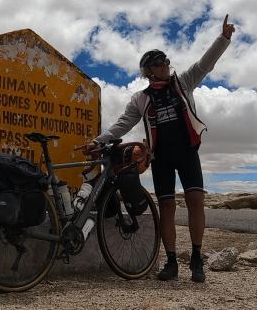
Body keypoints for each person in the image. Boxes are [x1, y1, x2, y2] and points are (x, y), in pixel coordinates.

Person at [83, 15, 235, 283]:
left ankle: (197, 260)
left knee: (195, 202)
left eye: (165, 61)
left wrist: (222, 39)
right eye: (158, 63)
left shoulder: (183, 82)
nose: (165, 65)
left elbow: (205, 64)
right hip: (161, 157)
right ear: (148, 71)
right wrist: (99, 140)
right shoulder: (141, 99)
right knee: (166, 208)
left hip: (188, 152)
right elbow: (122, 124)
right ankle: (172, 262)